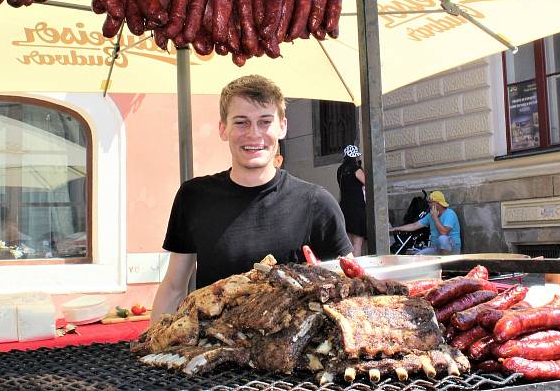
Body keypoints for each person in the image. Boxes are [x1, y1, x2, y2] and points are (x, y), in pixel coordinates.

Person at [151, 75, 353, 323]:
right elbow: (173, 287)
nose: (254, 134)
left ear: (282, 127)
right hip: (210, 352)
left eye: (265, 122)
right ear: (223, 129)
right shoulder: (193, 197)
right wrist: (149, 349)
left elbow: (349, 288)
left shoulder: (317, 203)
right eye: (241, 122)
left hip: (290, 356)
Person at [389, 190, 461, 255]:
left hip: (452, 248)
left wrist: (435, 218)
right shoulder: (430, 215)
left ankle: (446, 263)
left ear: (437, 203)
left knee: (442, 239)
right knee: (418, 256)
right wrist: (396, 228)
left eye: (430, 202)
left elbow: (444, 232)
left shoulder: (450, 213)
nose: (428, 204)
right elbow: (414, 225)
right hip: (435, 248)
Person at [336, 145, 366, 256]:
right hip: (357, 208)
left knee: (348, 243)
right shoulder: (356, 169)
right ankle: (356, 269)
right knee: (357, 243)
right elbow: (368, 182)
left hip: (344, 207)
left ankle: (348, 266)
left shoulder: (340, 170)